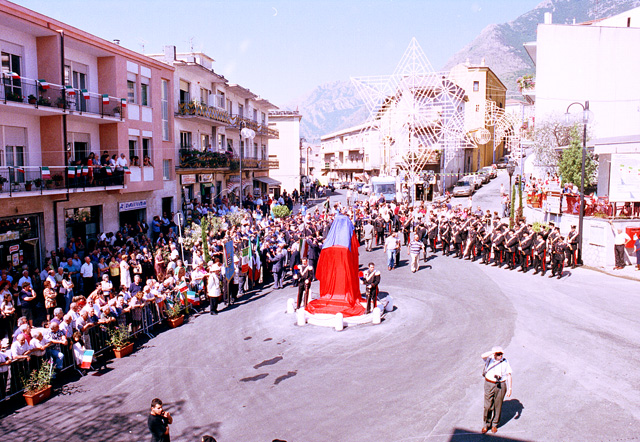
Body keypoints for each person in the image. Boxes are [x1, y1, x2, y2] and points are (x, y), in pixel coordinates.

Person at [481, 346, 513, 434]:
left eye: (501, 354)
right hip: (489, 384)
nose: (500, 356)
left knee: (498, 405)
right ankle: (486, 424)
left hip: (501, 385)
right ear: (494, 354)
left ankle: (494, 425)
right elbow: (482, 356)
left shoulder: (505, 361)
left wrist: (510, 388)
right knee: (487, 406)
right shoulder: (489, 359)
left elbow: (509, 375)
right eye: (498, 354)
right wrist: (492, 352)